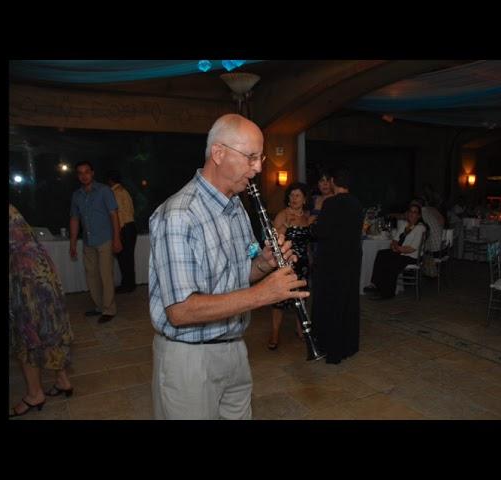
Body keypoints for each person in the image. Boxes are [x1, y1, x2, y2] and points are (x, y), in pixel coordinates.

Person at [148, 113, 308, 420]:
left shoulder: (235, 207)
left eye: (259, 158)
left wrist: (264, 264)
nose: (259, 168)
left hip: (234, 348)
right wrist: (264, 294)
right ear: (218, 154)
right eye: (250, 157)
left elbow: (239, 275)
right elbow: (180, 311)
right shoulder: (179, 215)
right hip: (190, 359)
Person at [9, 204, 74, 418]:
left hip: (25, 278)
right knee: (49, 328)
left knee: (27, 336)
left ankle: (35, 394)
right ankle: (63, 380)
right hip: (42, 273)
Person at [310, 168, 364, 365]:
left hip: (332, 261)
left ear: (333, 181)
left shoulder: (331, 203)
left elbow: (322, 232)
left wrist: (312, 227)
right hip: (351, 259)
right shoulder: (357, 203)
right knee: (348, 301)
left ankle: (330, 349)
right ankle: (348, 345)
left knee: (330, 303)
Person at [69, 161, 123, 324]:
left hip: (105, 239)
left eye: (87, 172)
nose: (84, 175)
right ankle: (99, 306)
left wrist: (117, 238)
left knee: (106, 275)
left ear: (92, 173)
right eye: (80, 173)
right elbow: (74, 218)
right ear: (77, 176)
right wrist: (72, 243)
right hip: (88, 241)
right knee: (91, 275)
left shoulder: (104, 191)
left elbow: (114, 215)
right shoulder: (76, 195)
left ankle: (109, 310)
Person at [267, 182, 312, 350]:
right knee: (280, 301)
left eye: (298, 195)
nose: (294, 198)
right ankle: (274, 333)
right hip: (285, 262)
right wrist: (286, 225)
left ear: (304, 199)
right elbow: (273, 238)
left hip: (303, 264)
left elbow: (307, 242)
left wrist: (310, 257)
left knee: (301, 297)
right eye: (292, 195)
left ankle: (300, 329)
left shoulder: (306, 216)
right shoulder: (283, 214)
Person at [369, 203, 426, 299]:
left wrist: (397, 249)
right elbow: (395, 240)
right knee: (381, 254)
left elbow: (412, 248)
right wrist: (394, 246)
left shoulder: (420, 228)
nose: (412, 214)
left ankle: (387, 293)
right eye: (410, 211)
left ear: (419, 215)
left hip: (412, 256)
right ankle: (376, 285)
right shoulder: (405, 225)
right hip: (401, 252)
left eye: (415, 212)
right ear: (407, 213)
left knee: (392, 262)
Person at [107, 170, 137, 294]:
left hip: (124, 227)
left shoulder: (114, 193)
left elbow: (118, 214)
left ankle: (127, 285)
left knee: (124, 259)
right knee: (128, 258)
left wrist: (117, 233)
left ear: (110, 180)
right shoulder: (124, 191)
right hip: (131, 226)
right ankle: (130, 284)